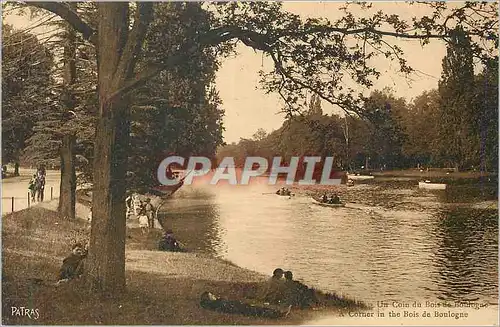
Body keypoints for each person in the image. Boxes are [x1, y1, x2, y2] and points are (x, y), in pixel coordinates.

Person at [200, 291, 291, 319]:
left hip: (238, 307)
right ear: (208, 299)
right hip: (239, 309)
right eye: (211, 295)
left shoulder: (215, 302)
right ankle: (278, 314)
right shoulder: (216, 303)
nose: (213, 295)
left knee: (258, 308)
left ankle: (278, 313)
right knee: (257, 310)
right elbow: (228, 306)